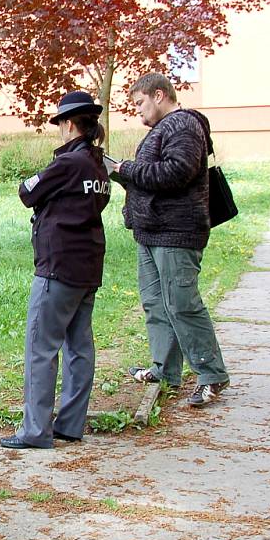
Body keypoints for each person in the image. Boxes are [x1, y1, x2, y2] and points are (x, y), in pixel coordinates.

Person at [0, 91, 111, 450]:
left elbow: (27, 191)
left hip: (57, 267)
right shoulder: (98, 165)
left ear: (69, 124)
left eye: (61, 123)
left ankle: (34, 430)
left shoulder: (68, 164)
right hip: (88, 266)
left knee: (41, 347)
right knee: (79, 347)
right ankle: (70, 425)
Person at [112, 72, 229, 407]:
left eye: (139, 103)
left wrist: (128, 169)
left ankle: (212, 375)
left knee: (182, 303)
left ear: (159, 95)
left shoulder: (183, 125)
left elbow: (177, 172)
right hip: (151, 232)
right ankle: (165, 370)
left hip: (176, 233)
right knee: (155, 303)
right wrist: (123, 175)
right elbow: (153, 179)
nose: (137, 111)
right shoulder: (163, 130)